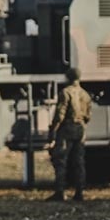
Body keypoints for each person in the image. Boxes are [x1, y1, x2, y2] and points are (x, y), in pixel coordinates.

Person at [46, 67, 92, 201]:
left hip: (67, 129)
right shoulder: (85, 95)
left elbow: (60, 115)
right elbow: (88, 116)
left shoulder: (65, 93)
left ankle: (60, 192)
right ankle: (79, 192)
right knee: (79, 162)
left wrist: (53, 131)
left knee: (61, 160)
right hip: (80, 129)